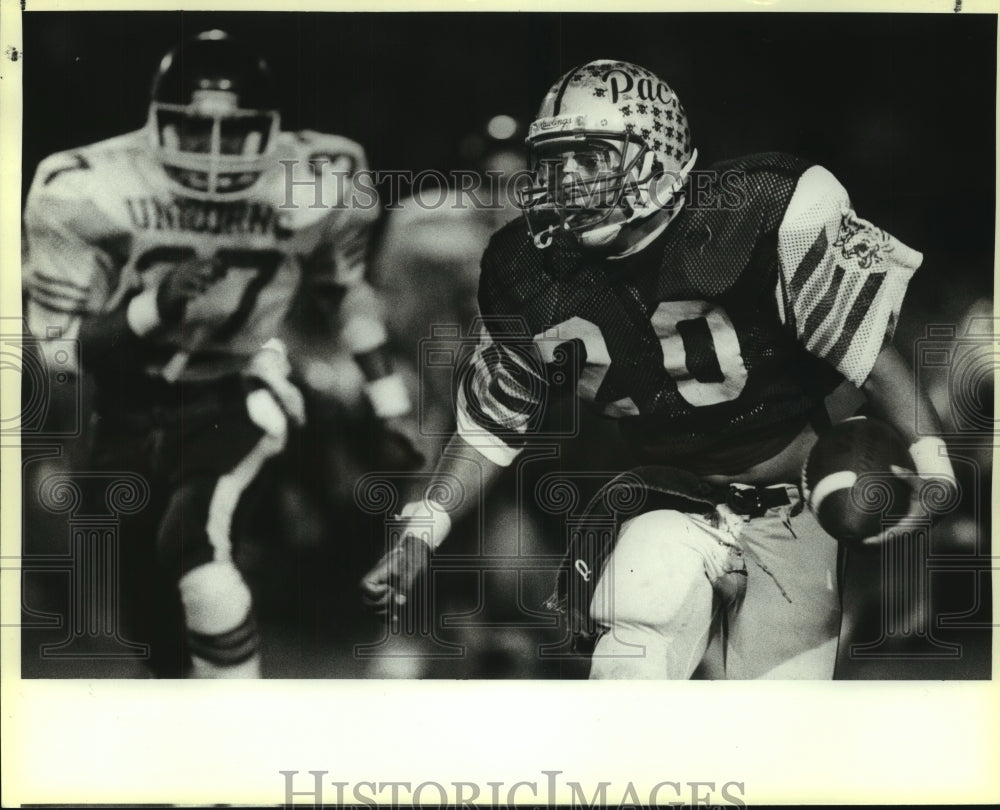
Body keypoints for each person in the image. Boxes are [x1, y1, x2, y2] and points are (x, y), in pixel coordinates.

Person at [361, 59, 958, 679]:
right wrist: (419, 533)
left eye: (588, 158)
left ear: (654, 153)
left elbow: (869, 359)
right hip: (675, 495)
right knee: (635, 636)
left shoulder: (761, 212)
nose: (564, 181)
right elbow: (491, 426)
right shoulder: (528, 269)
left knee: (774, 730)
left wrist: (936, 467)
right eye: (554, 161)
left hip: (798, 504)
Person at [23, 30, 412, 678]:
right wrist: (157, 307)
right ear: (156, 127)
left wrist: (389, 400)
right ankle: (189, 729)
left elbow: (345, 293)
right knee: (150, 622)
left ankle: (235, 729)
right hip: (129, 407)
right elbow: (63, 353)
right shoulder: (85, 185)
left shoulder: (319, 177)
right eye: (194, 131)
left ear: (269, 130)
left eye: (233, 134)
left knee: (195, 546)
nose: (212, 154)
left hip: (240, 385)